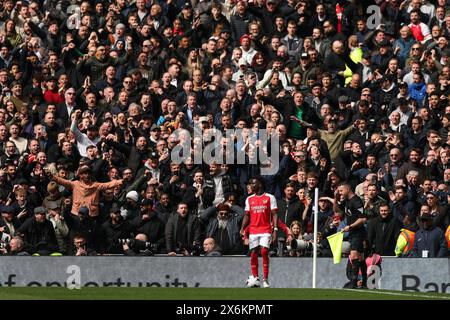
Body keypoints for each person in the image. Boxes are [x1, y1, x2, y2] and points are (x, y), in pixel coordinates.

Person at [240, 177, 278, 288]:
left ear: (260, 184)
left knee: (265, 251)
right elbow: (247, 215)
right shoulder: (249, 199)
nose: (250, 185)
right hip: (253, 230)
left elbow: (275, 214)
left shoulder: (270, 198)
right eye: (250, 183)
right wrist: (242, 228)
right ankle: (256, 277)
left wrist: (275, 230)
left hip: (265, 229)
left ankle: (265, 279)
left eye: (253, 183)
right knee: (253, 253)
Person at [334, 182, 367, 289]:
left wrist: (350, 227)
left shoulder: (356, 201)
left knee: (353, 256)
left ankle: (353, 283)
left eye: (341, 190)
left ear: (348, 189)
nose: (340, 193)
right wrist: (335, 197)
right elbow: (337, 211)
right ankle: (365, 282)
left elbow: (362, 219)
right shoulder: (347, 201)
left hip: (358, 232)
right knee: (361, 258)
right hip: (353, 232)